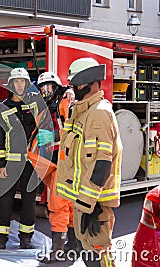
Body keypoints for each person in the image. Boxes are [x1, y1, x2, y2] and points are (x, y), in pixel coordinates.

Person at [56, 58, 122, 266]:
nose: (75, 88)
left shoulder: (99, 113)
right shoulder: (83, 112)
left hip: (95, 204)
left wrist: (89, 207)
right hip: (84, 201)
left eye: (78, 84)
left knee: (98, 257)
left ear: (93, 83)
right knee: (88, 254)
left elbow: (101, 164)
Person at [0, 67, 47, 249]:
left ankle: (26, 239)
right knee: (5, 201)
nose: (20, 85)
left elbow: (54, 98)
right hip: (10, 163)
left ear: (27, 84)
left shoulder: (34, 104)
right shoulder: (2, 109)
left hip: (30, 162)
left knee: (29, 201)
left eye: (23, 82)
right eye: (17, 82)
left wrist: (68, 92)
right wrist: (0, 165)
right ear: (11, 85)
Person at [36, 72, 77, 263]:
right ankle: (72, 246)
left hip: (64, 162)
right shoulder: (46, 108)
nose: (46, 91)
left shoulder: (65, 104)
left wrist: (55, 137)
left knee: (58, 205)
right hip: (55, 162)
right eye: (43, 88)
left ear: (56, 87)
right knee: (68, 205)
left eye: (49, 87)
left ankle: (58, 251)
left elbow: (75, 130)